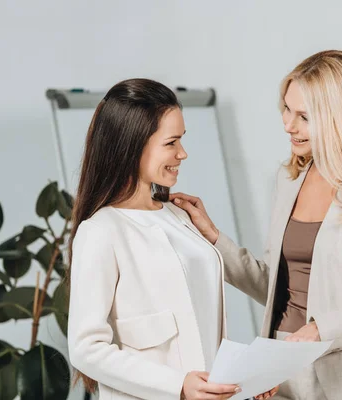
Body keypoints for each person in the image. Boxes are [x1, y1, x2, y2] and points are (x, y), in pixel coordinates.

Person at [171, 50, 342, 399]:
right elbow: (276, 288)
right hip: (286, 374)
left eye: (304, 116)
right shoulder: (288, 179)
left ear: (339, 118)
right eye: (287, 109)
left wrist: (321, 330)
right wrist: (213, 237)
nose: (288, 124)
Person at [67, 78, 272, 400]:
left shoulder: (179, 215)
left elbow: (200, 327)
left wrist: (238, 380)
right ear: (131, 144)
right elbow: (85, 349)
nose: (183, 153)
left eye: (182, 140)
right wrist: (177, 386)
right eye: (171, 142)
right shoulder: (101, 231)